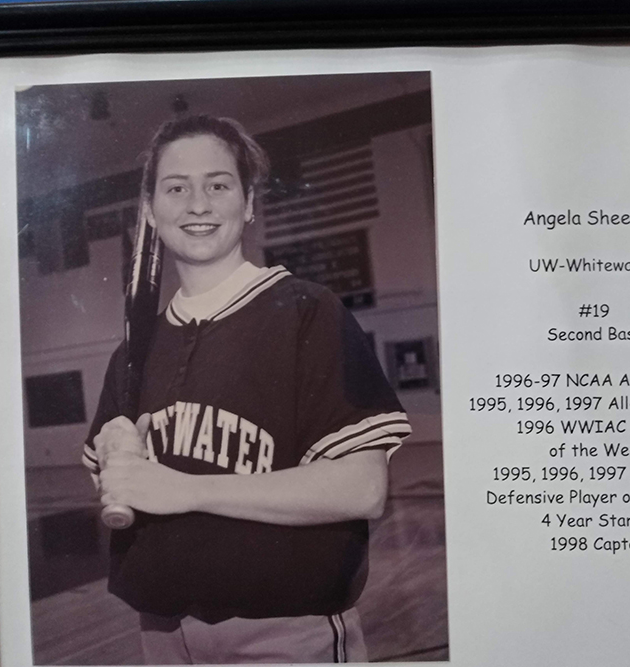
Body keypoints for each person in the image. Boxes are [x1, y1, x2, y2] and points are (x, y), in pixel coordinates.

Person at [81, 114, 411, 664]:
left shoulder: (307, 313)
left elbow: (361, 488)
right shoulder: (135, 350)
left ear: (249, 201)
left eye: (218, 184)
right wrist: (116, 458)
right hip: (160, 634)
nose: (198, 204)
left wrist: (186, 489)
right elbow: (117, 485)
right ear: (150, 210)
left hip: (283, 632)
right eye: (176, 188)